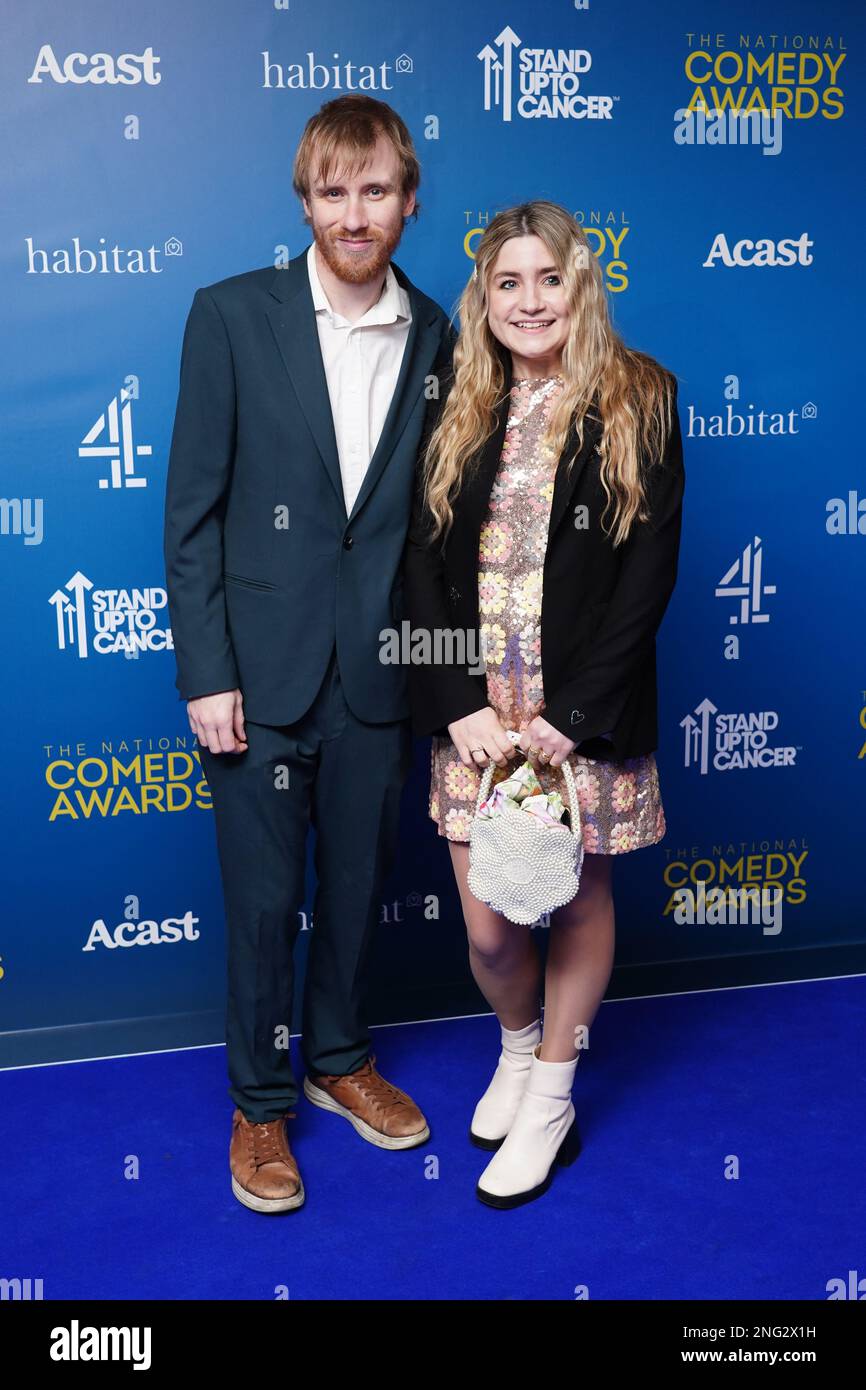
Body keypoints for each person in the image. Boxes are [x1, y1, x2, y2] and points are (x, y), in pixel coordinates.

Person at [163, 94, 456, 1213]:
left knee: (358, 889)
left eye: (374, 189)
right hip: (258, 674)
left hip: (378, 673)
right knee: (258, 900)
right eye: (332, 191)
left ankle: (335, 1060)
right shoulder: (231, 317)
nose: (353, 211)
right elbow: (192, 515)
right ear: (304, 201)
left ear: (407, 201)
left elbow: (440, 522)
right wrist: (206, 671)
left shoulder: (439, 334)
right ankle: (257, 1103)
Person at [402, 200, 685, 1209]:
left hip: (577, 716)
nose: (528, 301)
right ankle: (516, 1050)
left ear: (580, 283)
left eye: (547, 278)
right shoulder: (455, 396)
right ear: (484, 297)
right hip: (478, 719)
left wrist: (574, 711)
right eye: (506, 282)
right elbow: (415, 566)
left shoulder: (639, 395)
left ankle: (555, 1091)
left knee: (577, 904)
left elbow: (645, 577)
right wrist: (452, 703)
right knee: (488, 927)